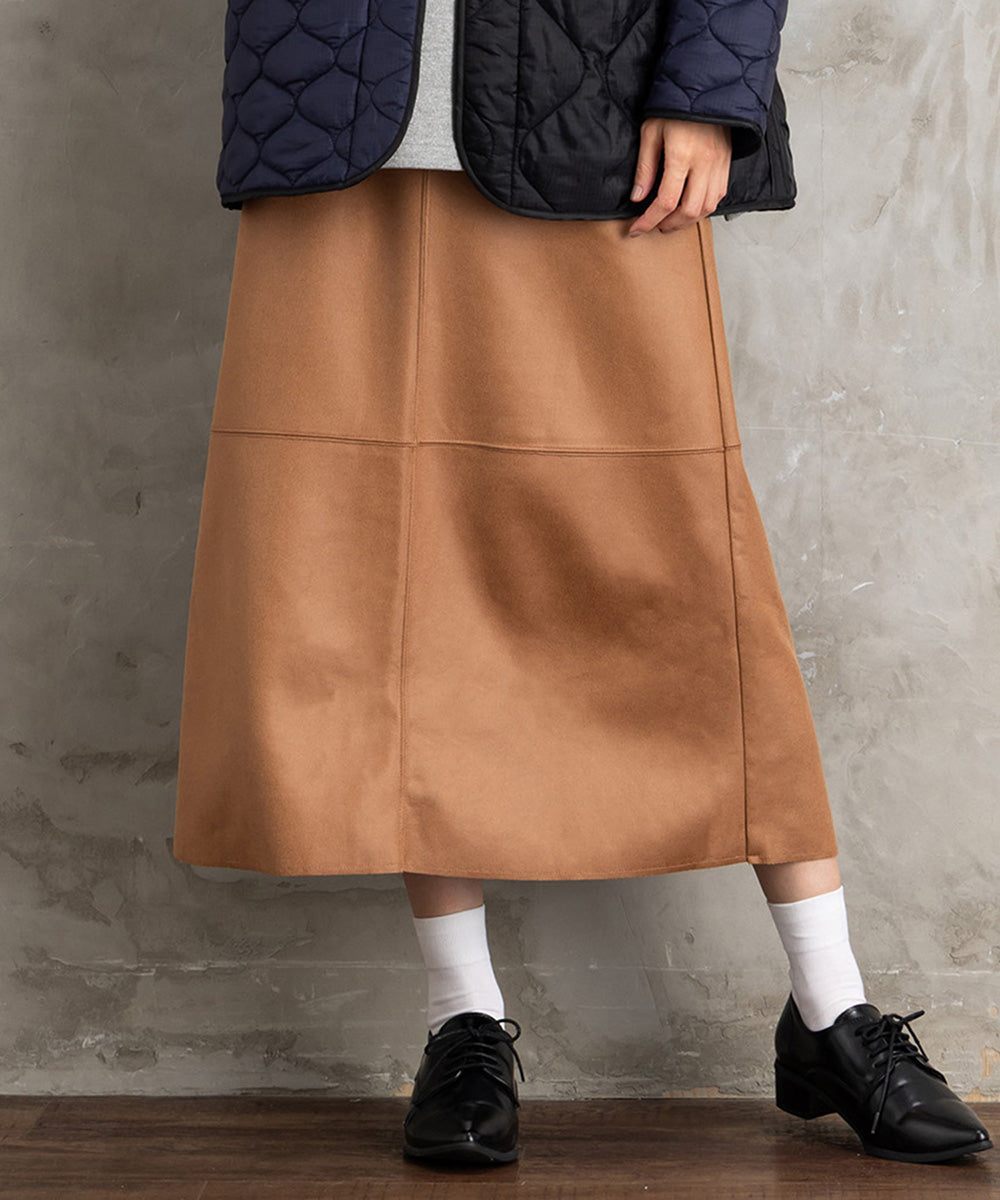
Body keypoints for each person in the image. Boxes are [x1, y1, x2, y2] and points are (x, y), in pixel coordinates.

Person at [173, 0, 993, 1168]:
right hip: (333, 110)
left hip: (593, 113)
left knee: (684, 573)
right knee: (379, 579)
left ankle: (828, 1002)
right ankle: (462, 1016)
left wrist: (709, 91)